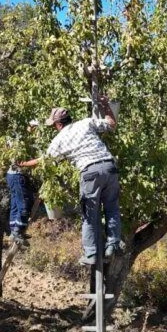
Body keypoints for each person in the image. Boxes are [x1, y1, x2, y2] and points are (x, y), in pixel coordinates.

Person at [19, 96, 121, 265]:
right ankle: (112, 245)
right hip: (110, 167)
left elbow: (44, 160)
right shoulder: (85, 123)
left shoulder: (59, 140)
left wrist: (23, 164)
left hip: (89, 172)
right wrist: (105, 105)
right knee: (112, 208)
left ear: (58, 124)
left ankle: (91, 254)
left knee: (90, 215)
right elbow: (111, 124)